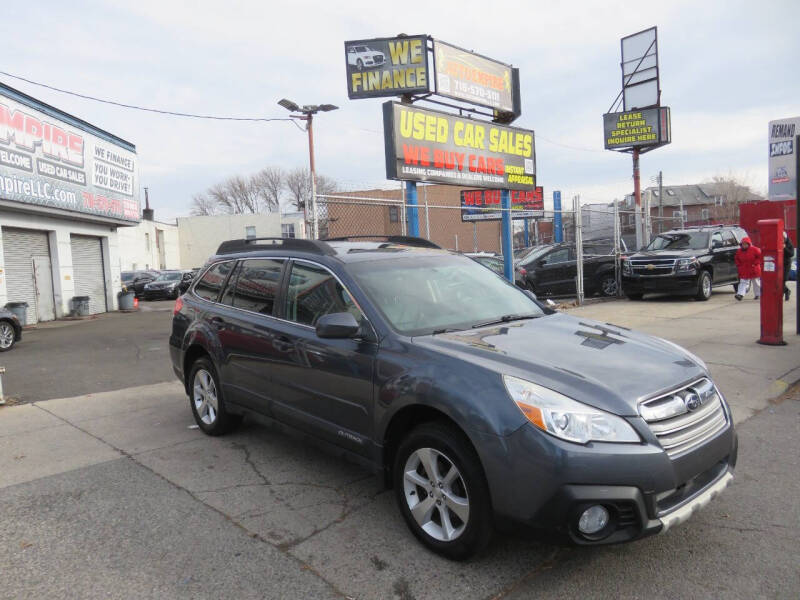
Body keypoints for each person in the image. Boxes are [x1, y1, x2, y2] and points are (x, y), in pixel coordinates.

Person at [734, 236, 761, 301]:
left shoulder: (755, 249)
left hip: (753, 268)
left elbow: (760, 257)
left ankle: (758, 294)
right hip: (744, 269)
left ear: (748, 244)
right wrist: (739, 265)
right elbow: (736, 258)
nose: (744, 245)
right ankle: (740, 294)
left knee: (756, 282)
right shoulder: (739, 251)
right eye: (743, 244)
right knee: (743, 282)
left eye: (745, 244)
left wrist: (755, 263)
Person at [783, 231, 794, 302]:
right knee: (778, 281)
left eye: (783, 238)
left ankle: (786, 291)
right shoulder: (777, 242)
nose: (782, 239)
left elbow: (791, 254)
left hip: (786, 264)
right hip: (778, 263)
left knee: (783, 280)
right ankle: (786, 291)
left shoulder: (789, 243)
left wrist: (784, 248)